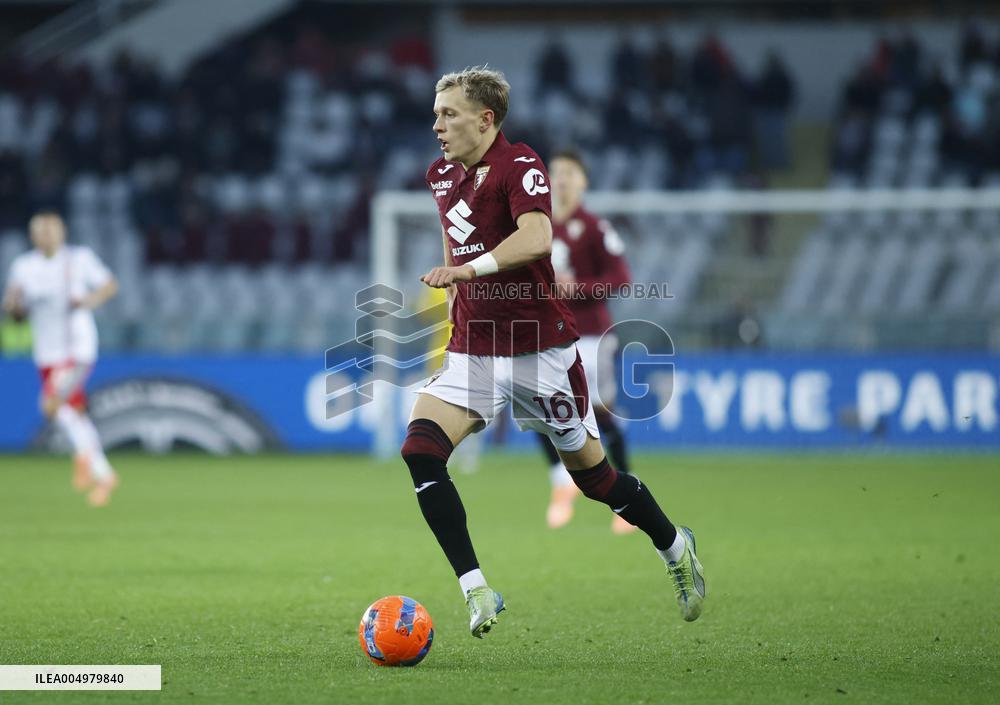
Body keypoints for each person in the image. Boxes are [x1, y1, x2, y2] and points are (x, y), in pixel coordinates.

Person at [407, 66, 705, 638]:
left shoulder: (521, 165)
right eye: (436, 113)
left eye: (449, 113)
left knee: (596, 480)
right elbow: (454, 231)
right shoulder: (441, 175)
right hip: (474, 346)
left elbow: (537, 237)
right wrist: (455, 292)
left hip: (540, 352)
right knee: (420, 450)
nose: (437, 124)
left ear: (485, 119)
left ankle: (674, 546)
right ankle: (477, 591)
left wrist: (467, 268)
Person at [541, 148, 635, 534]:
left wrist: (578, 288)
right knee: (544, 409)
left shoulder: (595, 227)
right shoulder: (536, 226)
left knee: (598, 411)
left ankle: (627, 493)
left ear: (583, 182)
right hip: (547, 335)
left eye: (569, 173)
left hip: (592, 335)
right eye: (556, 172)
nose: (561, 179)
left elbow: (620, 278)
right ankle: (562, 485)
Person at [2, 211, 120, 506]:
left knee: (51, 404)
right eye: (40, 231)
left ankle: (89, 460)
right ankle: (102, 472)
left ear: (62, 232)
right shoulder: (23, 267)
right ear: (32, 236)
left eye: (50, 230)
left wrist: (88, 301)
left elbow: (109, 284)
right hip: (46, 351)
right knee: (71, 414)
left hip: (77, 349)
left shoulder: (78, 259)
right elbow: (17, 316)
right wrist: (13, 306)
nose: (46, 236)